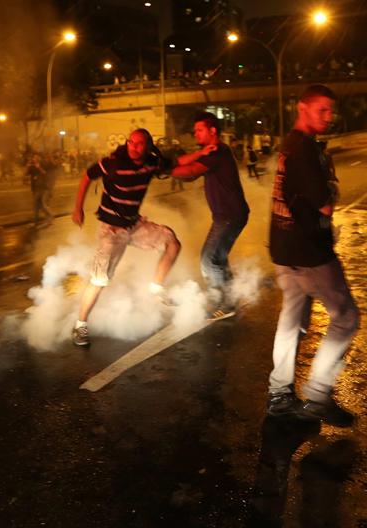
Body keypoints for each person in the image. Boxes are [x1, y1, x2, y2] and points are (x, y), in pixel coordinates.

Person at [265, 84, 359, 427]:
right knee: (346, 317)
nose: (329, 117)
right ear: (302, 107)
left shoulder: (290, 145)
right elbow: (326, 204)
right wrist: (329, 185)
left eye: (331, 111)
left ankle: (279, 394)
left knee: (292, 322)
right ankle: (318, 394)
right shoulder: (304, 149)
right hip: (308, 251)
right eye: (322, 110)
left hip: (283, 247)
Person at [71, 129, 182, 347]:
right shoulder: (114, 163)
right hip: (111, 230)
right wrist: (78, 209)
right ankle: (79, 325)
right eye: (131, 142)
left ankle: (156, 289)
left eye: (140, 144)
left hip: (134, 224)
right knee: (99, 279)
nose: (134, 147)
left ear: (148, 146)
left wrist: (204, 154)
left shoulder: (151, 162)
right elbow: (87, 176)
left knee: (172, 242)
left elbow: (177, 163)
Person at [170, 112, 250, 317]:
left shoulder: (218, 152)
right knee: (219, 258)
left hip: (229, 215)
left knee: (209, 259)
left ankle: (222, 303)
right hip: (229, 214)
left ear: (212, 131)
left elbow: (189, 172)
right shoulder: (211, 152)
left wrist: (160, 170)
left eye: (199, 130)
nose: (195, 134)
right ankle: (230, 299)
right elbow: (191, 174)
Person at [26, 154, 53, 226]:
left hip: (44, 189)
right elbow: (27, 173)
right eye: (34, 157)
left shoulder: (43, 164)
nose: (35, 159)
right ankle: (35, 222)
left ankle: (50, 218)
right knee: (35, 206)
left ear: (39, 158)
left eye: (36, 157)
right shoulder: (33, 166)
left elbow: (45, 174)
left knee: (44, 205)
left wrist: (39, 167)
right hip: (36, 189)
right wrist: (28, 166)